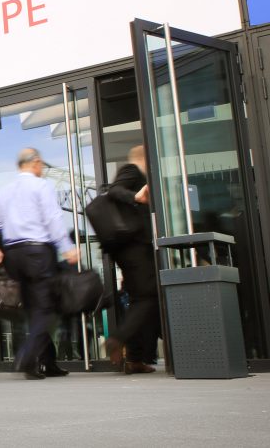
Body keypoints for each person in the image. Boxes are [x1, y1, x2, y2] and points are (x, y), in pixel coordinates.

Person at [0, 147, 80, 380]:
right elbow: (52, 218)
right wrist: (67, 246)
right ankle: (27, 356)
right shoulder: (41, 186)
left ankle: (47, 362)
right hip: (38, 253)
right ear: (36, 163)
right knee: (46, 309)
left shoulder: (6, 190)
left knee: (33, 309)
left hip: (13, 254)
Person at [105, 145, 159, 373]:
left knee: (141, 300)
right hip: (134, 248)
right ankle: (118, 339)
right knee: (147, 297)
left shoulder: (138, 175)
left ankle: (135, 359)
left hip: (133, 248)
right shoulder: (132, 170)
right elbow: (115, 190)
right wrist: (135, 196)